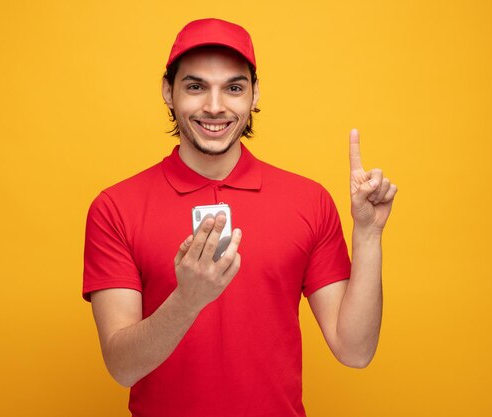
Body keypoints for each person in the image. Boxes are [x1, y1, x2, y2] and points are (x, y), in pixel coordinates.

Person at [83, 18, 397, 417]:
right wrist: (187, 301)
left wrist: (369, 235)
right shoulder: (115, 208)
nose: (215, 106)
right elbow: (122, 367)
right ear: (168, 91)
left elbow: (355, 350)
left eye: (233, 87)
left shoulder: (308, 200)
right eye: (195, 86)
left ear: (254, 93)